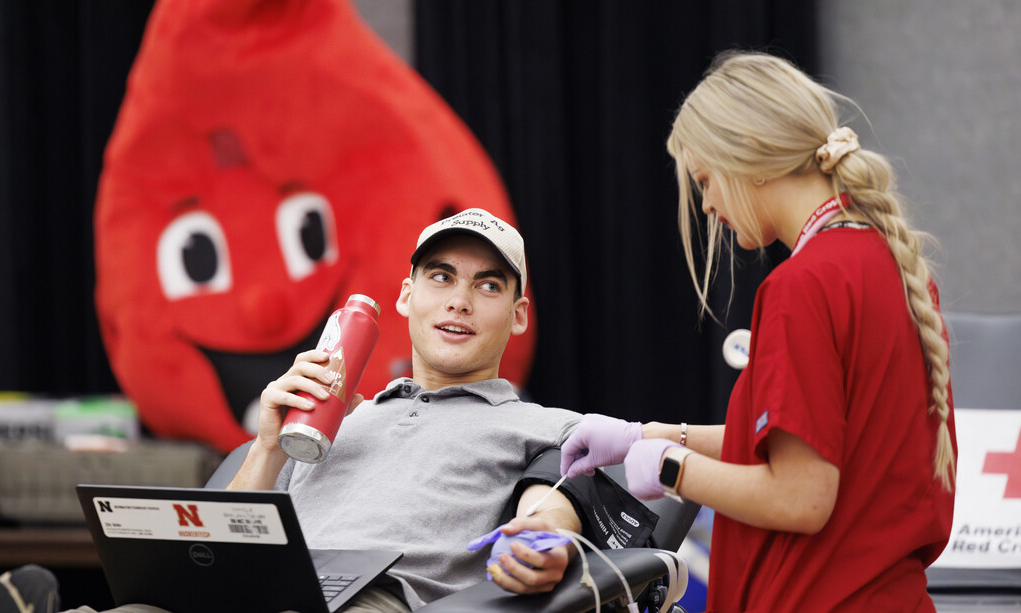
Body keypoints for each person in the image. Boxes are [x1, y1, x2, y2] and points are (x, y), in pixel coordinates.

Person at [560, 51, 957, 612]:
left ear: (752, 157)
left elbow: (801, 497)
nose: (707, 204)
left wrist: (673, 470)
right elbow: (802, 443)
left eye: (705, 180)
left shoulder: (802, 284)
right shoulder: (884, 262)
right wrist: (645, 437)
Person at [225, 207, 586, 611]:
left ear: (517, 316)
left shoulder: (549, 427)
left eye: (487, 286)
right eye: (441, 277)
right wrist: (268, 447)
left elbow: (552, 508)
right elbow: (221, 557)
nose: (459, 301)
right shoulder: (327, 420)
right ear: (406, 296)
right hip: (264, 593)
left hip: (376, 599)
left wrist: (547, 539)